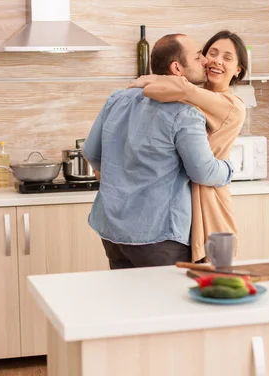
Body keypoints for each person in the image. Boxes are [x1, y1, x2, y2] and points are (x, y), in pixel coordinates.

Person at [82, 33, 234, 269]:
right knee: (166, 305)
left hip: (113, 231)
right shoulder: (185, 113)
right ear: (177, 68)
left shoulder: (117, 99)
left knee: (128, 304)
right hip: (159, 236)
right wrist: (228, 168)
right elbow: (203, 172)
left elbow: (91, 152)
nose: (205, 61)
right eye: (197, 57)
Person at [128, 30, 248, 263]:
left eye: (227, 57)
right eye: (212, 53)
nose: (216, 61)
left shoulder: (231, 105)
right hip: (180, 203)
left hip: (209, 202)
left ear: (238, 70)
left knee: (213, 280)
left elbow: (182, 89)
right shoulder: (191, 97)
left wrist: (146, 80)